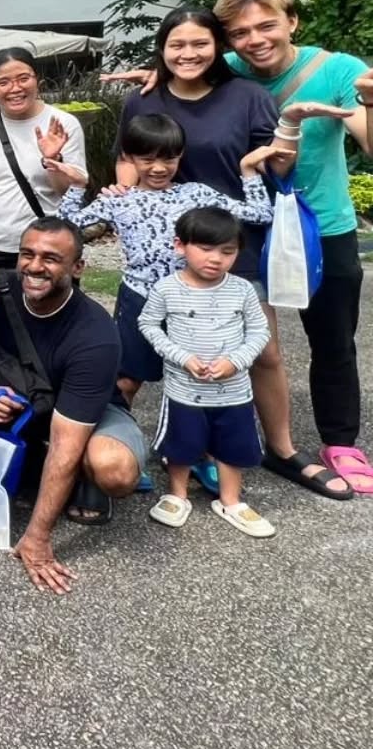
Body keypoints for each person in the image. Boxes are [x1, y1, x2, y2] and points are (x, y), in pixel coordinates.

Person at [102, 5, 339, 499]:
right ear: (162, 50)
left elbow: (273, 163)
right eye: (177, 45)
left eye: (200, 43)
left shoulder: (247, 97)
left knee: (261, 350)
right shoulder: (142, 100)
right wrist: (127, 201)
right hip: (166, 255)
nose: (188, 53)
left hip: (232, 247)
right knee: (139, 360)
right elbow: (127, 159)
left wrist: (283, 139)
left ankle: (281, 448)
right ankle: (119, 450)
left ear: (218, 47)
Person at [214, 0, 373, 495]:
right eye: (240, 32)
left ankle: (341, 441)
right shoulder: (231, 72)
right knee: (255, 344)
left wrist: (369, 103)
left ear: (292, 22)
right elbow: (190, 78)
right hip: (251, 229)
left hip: (323, 228)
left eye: (266, 25)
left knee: (333, 340)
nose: (254, 39)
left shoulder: (339, 71)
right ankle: (249, 441)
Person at [0, 219, 146, 594]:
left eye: (52, 258)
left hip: (87, 415)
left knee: (113, 469)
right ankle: (39, 462)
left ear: (78, 267)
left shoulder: (94, 334)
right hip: (22, 404)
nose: (35, 267)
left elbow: (67, 441)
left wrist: (36, 539)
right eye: (28, 254)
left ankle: (83, 478)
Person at [58, 114, 275, 407]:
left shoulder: (196, 193)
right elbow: (65, 226)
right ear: (129, 157)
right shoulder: (118, 199)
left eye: (169, 159)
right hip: (139, 297)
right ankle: (114, 439)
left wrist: (248, 171)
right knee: (126, 378)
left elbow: (261, 214)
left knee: (203, 372)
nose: (159, 168)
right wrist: (77, 185)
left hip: (191, 300)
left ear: (180, 155)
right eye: (147, 159)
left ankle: (195, 445)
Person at [139, 207, 275, 538]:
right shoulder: (166, 288)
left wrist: (237, 361)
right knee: (181, 444)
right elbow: (148, 323)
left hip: (234, 392)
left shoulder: (242, 290)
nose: (215, 259)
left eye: (227, 252)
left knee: (233, 445)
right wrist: (181, 356)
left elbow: (259, 332)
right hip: (184, 389)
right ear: (180, 245)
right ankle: (177, 494)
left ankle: (231, 500)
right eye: (205, 248)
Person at [0, 49, 86, 273]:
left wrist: (52, 160)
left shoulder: (62, 124)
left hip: (48, 244)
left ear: (37, 79)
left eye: (23, 78)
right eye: (3, 82)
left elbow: (69, 194)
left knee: (50, 308)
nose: (15, 88)